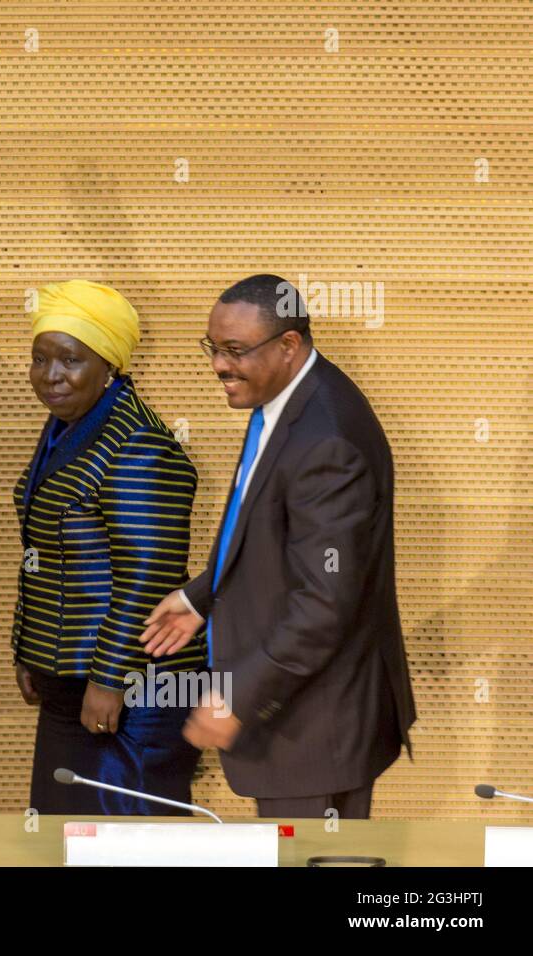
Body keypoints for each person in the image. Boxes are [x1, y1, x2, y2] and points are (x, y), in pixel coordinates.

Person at [140, 274, 416, 820]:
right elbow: (264, 525)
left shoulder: (328, 440)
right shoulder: (285, 396)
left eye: (235, 351)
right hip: (302, 721)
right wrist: (203, 596)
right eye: (213, 349)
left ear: (289, 346)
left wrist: (237, 697)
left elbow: (324, 604)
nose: (218, 365)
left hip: (316, 732)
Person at [12, 280, 205, 814]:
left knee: (126, 845)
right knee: (60, 834)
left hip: (131, 691)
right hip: (70, 683)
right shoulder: (68, 426)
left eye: (70, 360)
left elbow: (149, 575)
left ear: (109, 366)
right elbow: (43, 551)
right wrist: (27, 649)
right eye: (40, 359)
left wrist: (109, 679)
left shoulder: (137, 442)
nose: (51, 375)